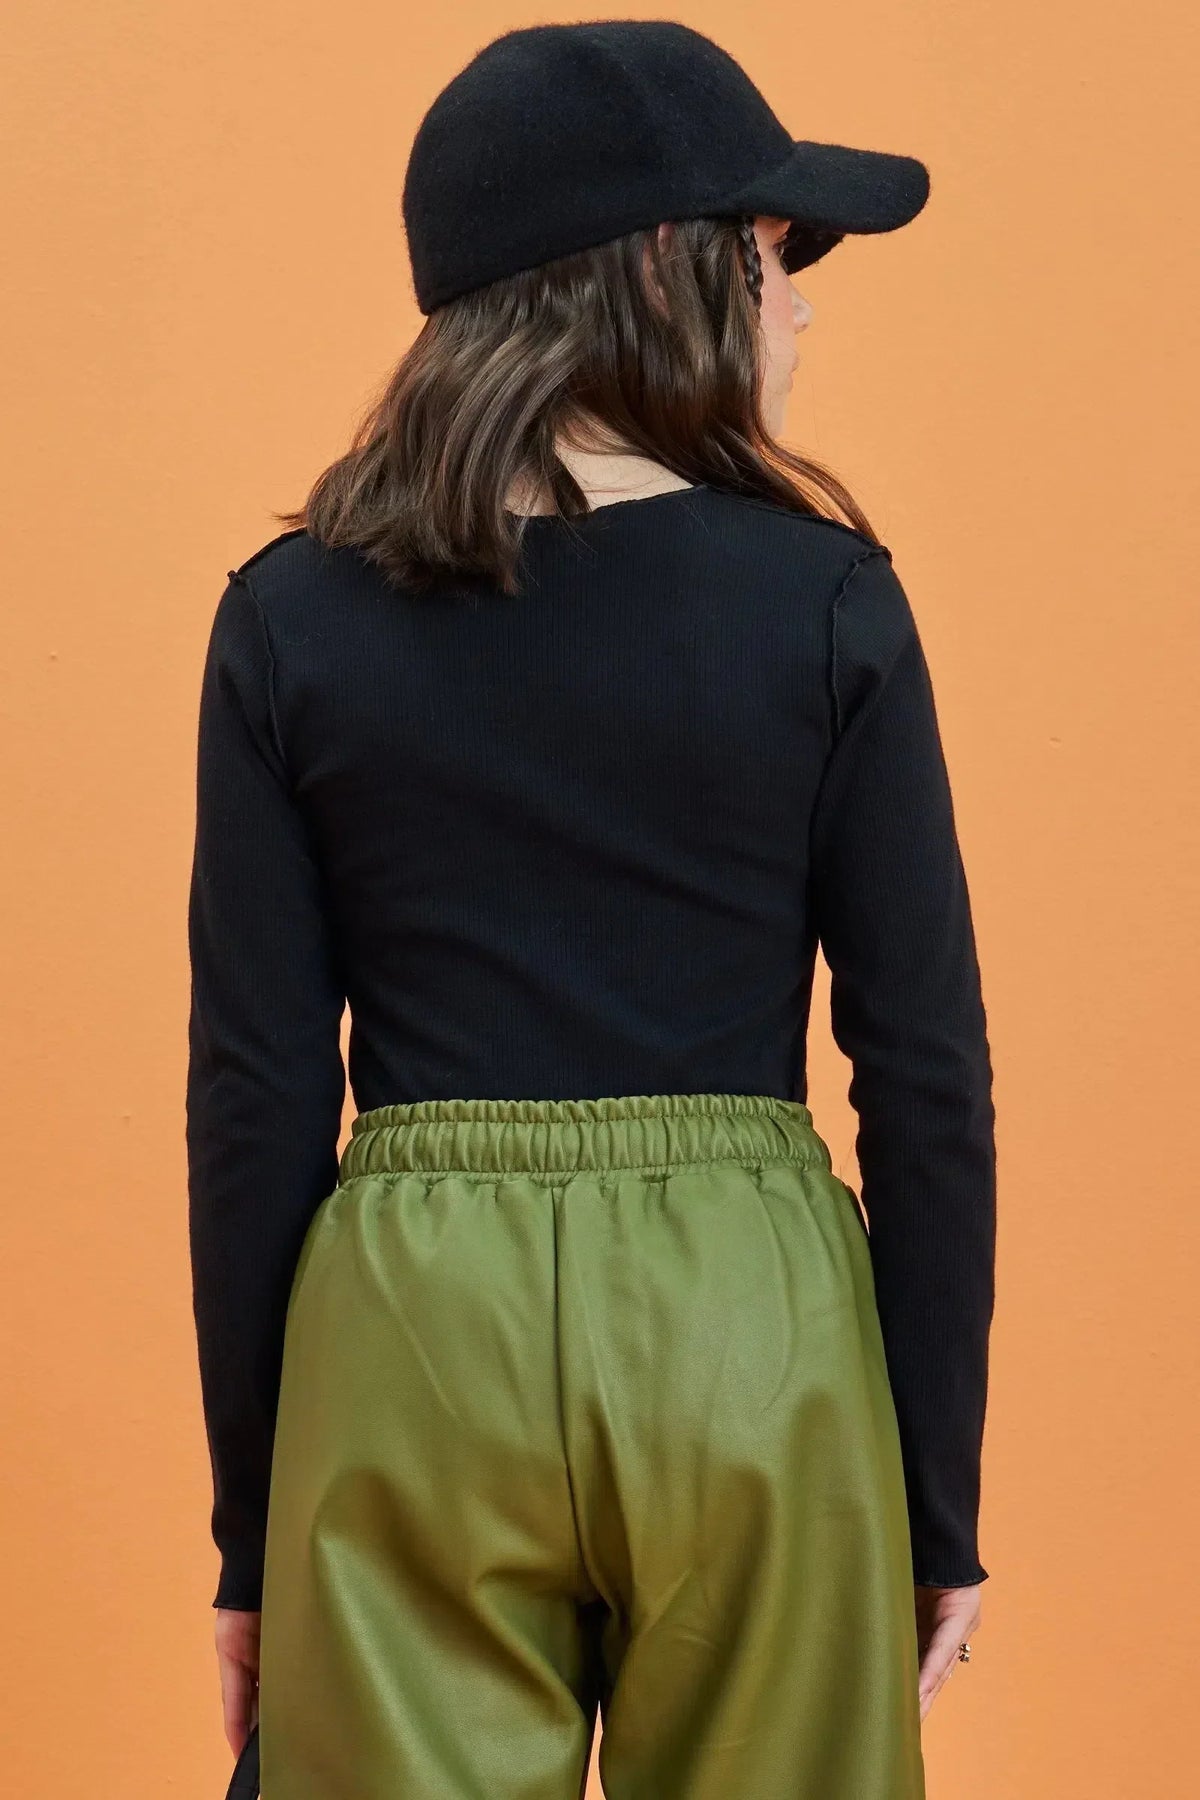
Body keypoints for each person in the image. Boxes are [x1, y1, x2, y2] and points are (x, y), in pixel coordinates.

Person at [186, 20, 996, 1800]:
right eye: (771, 258)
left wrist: (255, 1539)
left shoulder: (286, 621)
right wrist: (936, 1498)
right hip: (751, 1331)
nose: (799, 307)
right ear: (657, 274)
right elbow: (925, 1080)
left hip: (413, 1342)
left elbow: (256, 1100)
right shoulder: (830, 605)